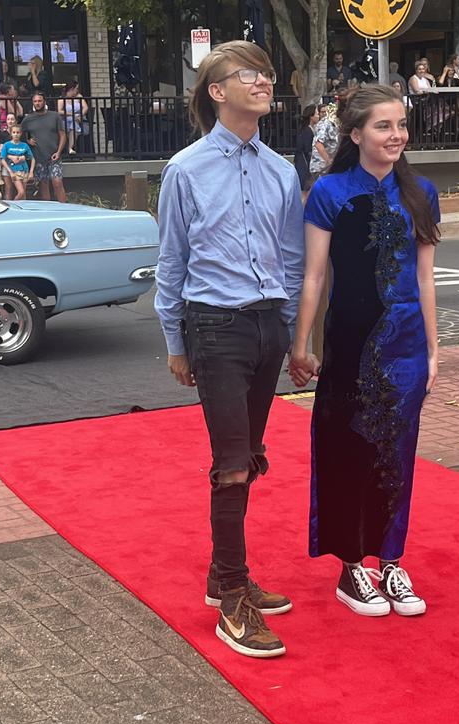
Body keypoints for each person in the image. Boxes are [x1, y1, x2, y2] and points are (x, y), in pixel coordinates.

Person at [154, 40, 304, 659]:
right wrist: (174, 340)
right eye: (250, 74)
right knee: (233, 461)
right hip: (214, 327)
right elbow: (171, 262)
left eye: (267, 73)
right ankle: (234, 598)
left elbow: (292, 261)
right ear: (217, 91)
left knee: (253, 451)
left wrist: (296, 335)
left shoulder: (282, 169)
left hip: (268, 326)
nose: (265, 81)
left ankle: (223, 575)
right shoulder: (185, 170)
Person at [289, 84, 439, 617]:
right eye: (383, 125)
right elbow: (313, 277)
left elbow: (425, 278)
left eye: (400, 125)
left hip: (407, 345)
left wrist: (435, 350)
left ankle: (391, 559)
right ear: (356, 134)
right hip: (349, 343)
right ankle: (352, 566)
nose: (396, 134)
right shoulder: (329, 192)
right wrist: (302, 343)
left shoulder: (422, 191)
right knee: (347, 447)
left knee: (398, 453)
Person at [21, 92, 67, 202]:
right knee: (43, 185)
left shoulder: (54, 116)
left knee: (57, 183)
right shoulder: (28, 119)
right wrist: (27, 141)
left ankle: (65, 209)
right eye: (35, 101)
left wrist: (59, 151)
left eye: (39, 101)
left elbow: (62, 134)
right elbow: (18, 133)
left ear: (44, 101)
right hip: (38, 156)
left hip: (54, 156)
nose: (37, 103)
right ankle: (49, 211)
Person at [0, 124, 35, 200]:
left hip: (24, 170)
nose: (16, 134)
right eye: (14, 132)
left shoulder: (24, 145)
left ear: (21, 133)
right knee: (21, 192)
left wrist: (31, 172)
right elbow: (2, 159)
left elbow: (32, 158)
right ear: (11, 133)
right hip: (14, 171)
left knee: (23, 194)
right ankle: (14, 205)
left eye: (18, 132)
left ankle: (23, 210)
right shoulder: (7, 145)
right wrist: (10, 172)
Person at [310, 99, 339, 178]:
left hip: (328, 169)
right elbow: (318, 144)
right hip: (321, 168)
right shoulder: (326, 124)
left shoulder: (335, 124)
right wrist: (329, 161)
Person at [57, 81, 88, 154]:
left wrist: (80, 115)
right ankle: (70, 148)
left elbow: (85, 107)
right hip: (65, 120)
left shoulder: (79, 96)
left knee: (74, 123)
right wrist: (71, 114)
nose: (77, 90)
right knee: (72, 124)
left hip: (78, 120)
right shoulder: (62, 98)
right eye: (76, 88)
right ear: (71, 89)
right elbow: (60, 111)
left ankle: (70, 148)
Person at [294, 103, 319, 192]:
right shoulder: (307, 131)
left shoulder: (309, 129)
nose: (318, 116)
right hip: (305, 163)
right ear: (311, 117)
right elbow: (307, 149)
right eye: (317, 114)